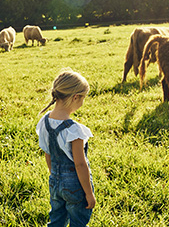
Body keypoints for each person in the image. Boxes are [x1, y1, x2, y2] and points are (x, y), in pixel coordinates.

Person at [36, 69, 96, 227]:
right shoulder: (74, 130)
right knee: (78, 221)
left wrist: (55, 176)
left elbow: (47, 153)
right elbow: (80, 164)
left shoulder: (44, 121)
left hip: (54, 182)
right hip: (75, 186)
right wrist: (89, 194)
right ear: (76, 97)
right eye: (83, 98)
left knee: (57, 219)